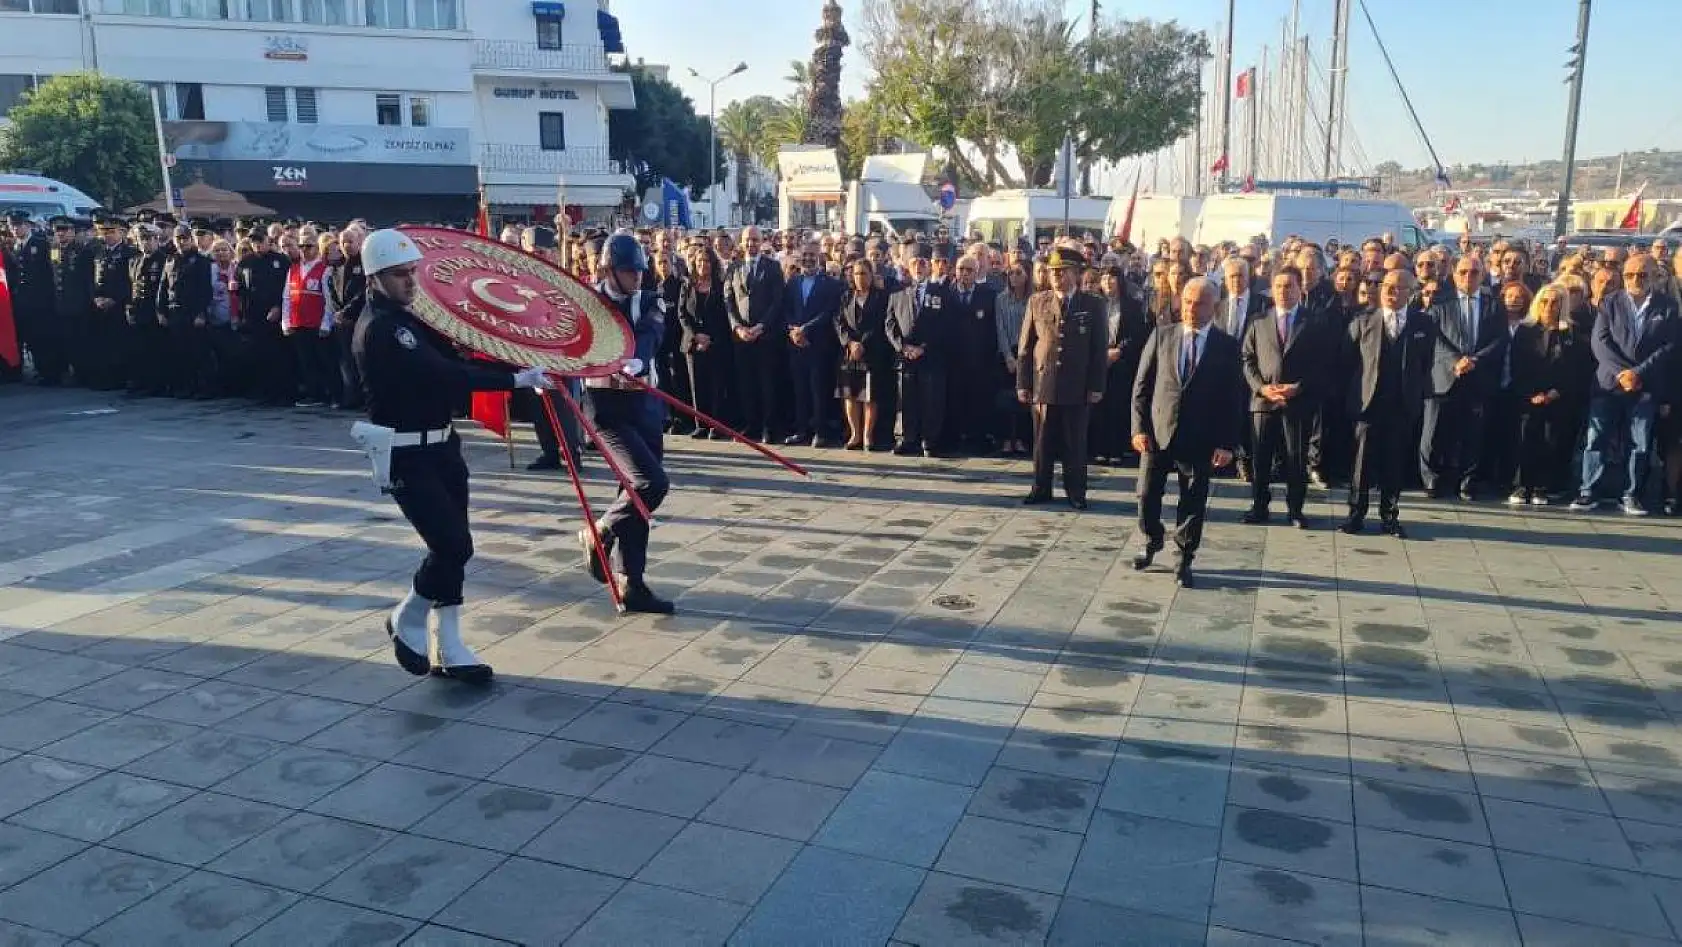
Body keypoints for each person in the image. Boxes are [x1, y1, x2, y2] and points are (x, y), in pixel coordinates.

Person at [352, 228, 549, 683]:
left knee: (454, 545)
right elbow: (443, 374)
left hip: (442, 447)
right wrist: (516, 381)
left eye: (411, 272)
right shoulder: (382, 328)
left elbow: (456, 348)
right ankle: (407, 618)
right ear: (375, 277)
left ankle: (451, 645)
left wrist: (502, 342)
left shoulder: (408, 318)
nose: (410, 281)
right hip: (407, 455)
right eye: (400, 275)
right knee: (452, 545)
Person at [576, 233, 677, 614]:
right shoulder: (587, 302)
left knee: (635, 494)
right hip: (605, 407)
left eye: (639, 270)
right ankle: (599, 531)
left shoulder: (650, 299)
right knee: (651, 484)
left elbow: (653, 332)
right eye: (628, 271)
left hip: (645, 405)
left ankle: (629, 579)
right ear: (608, 271)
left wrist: (636, 357)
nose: (637, 277)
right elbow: (566, 336)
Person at [1131, 276, 1245, 587]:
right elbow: (1141, 387)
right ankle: (1152, 539)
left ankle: (1184, 557)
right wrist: (1138, 428)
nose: (1191, 309)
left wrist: (1227, 443)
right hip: (1158, 431)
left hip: (1201, 437)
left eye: (1200, 303)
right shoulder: (1162, 336)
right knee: (1146, 495)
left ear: (1215, 307)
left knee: (1193, 502)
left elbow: (1233, 398)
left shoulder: (1227, 346)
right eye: (1188, 302)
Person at [1572, 253, 1678, 516]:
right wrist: (1622, 373)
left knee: (1640, 443)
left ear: (1654, 276)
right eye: (1630, 275)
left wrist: (1639, 373)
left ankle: (1631, 494)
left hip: (1646, 386)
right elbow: (1600, 342)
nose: (1635, 280)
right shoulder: (1610, 302)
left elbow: (1670, 346)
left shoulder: (1668, 306)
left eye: (1642, 275)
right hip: (1609, 383)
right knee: (1596, 439)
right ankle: (1588, 491)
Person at [1341, 270, 1433, 536]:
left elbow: (1425, 363)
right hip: (1368, 403)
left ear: (1410, 292)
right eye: (1387, 287)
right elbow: (1347, 360)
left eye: (1398, 288)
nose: (1391, 292)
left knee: (1395, 462)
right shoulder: (1363, 319)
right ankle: (1356, 514)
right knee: (1361, 463)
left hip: (1402, 404)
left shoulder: (1423, 324)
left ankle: (1390, 516)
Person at [1017, 246, 1109, 509]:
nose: (1057, 277)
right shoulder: (1038, 301)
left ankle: (1076, 492)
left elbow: (1098, 348)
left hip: (1076, 384)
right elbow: (1026, 346)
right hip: (1044, 381)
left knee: (1075, 442)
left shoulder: (1092, 304)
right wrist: (1023, 383)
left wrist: (1096, 385)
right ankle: (1041, 487)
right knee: (1043, 440)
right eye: (1053, 272)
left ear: (1076, 274)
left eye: (1063, 272)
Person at [1242, 266, 1333, 528]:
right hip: (1263, 401)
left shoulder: (1314, 321)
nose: (1284, 291)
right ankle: (1259, 506)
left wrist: (1299, 387)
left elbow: (1322, 363)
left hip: (1297, 402)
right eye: (1279, 286)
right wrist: (1261, 387)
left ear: (1300, 288)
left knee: (1296, 458)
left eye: (1290, 286)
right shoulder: (1258, 321)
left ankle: (1295, 509)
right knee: (1260, 458)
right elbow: (1247, 359)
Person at [1421, 255, 1507, 500]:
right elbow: (1433, 335)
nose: (1468, 277)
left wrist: (1474, 360)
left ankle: (1467, 481)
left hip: (1478, 376)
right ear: (1454, 274)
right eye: (1463, 272)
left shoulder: (1493, 304)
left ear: (1482, 275)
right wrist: (1454, 360)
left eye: (1474, 272)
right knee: (1433, 431)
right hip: (1444, 375)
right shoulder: (1440, 301)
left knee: (1473, 432)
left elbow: (1499, 339)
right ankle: (1432, 480)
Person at [1511, 284, 1592, 506]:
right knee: (1526, 439)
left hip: (1558, 398)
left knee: (1551, 441)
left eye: (1555, 302)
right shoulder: (1525, 330)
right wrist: (1531, 394)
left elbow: (1577, 368)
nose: (1549, 306)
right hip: (1529, 397)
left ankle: (1541, 487)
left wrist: (1557, 392)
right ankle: (1521, 486)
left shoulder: (1571, 332)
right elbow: (1517, 366)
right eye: (1545, 301)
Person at [886, 243, 952, 457]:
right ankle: (907, 438)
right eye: (914, 263)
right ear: (907, 265)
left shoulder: (942, 293)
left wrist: (924, 347)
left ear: (929, 265)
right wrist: (902, 346)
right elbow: (889, 323)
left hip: (930, 356)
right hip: (905, 357)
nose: (918, 267)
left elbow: (945, 325)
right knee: (906, 399)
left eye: (922, 263)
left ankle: (929, 440)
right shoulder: (898, 293)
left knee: (931, 399)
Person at [725, 226, 786, 443]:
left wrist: (761, 326)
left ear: (762, 242)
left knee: (767, 383)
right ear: (742, 242)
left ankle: (769, 427)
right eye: (747, 240)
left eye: (755, 240)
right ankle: (751, 425)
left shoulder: (773, 267)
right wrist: (738, 327)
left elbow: (777, 301)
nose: (751, 244)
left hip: (766, 336)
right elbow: (729, 300)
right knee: (746, 383)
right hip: (741, 337)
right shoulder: (734, 268)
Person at [782, 241, 843, 447]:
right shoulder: (793, 281)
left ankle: (820, 432)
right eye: (805, 254)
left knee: (819, 390)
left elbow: (829, 312)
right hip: (796, 344)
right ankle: (801, 430)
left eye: (812, 255)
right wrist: (793, 330)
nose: (808, 258)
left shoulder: (831, 283)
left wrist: (805, 329)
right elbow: (786, 309)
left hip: (818, 344)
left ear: (820, 257)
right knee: (799, 389)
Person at [1091, 264, 1150, 465]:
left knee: (1117, 405)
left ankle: (1116, 448)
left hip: (1120, 361)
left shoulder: (1131, 305)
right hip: (1097, 359)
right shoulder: (1093, 303)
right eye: (1104, 278)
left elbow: (1136, 334)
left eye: (1112, 278)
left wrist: (1119, 350)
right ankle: (1099, 448)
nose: (1108, 282)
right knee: (1098, 405)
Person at [835, 257, 893, 450]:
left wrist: (863, 344)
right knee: (850, 395)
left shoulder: (881, 297)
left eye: (864, 274)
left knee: (870, 396)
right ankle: (855, 434)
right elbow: (838, 322)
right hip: (850, 353)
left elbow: (882, 324)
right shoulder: (846, 297)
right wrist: (850, 343)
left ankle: (868, 435)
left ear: (871, 275)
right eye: (856, 274)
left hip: (873, 352)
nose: (860, 278)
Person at [678, 247, 733, 440]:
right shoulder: (687, 285)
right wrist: (696, 336)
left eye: (707, 261)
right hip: (693, 343)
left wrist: (710, 338)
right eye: (700, 261)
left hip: (716, 342)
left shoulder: (720, 285)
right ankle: (700, 424)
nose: (703, 265)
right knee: (697, 385)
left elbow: (724, 315)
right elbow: (682, 314)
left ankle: (716, 426)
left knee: (716, 385)